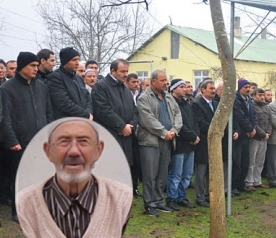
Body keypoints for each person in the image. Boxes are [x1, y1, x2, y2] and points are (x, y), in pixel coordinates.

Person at [16, 118, 132, 237]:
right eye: (64, 141)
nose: (74, 152)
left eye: (83, 141)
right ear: (48, 151)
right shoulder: (25, 204)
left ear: (98, 150)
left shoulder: (122, 199)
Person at [1, 52, 54, 222]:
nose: (36, 69)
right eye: (32, 65)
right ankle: (18, 211)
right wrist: (12, 140)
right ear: (22, 65)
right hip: (20, 141)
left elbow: (48, 112)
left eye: (37, 65)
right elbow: (5, 117)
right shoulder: (7, 89)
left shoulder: (41, 86)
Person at [137, 70, 182, 216]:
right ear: (153, 81)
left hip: (168, 140)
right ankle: (149, 204)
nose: (166, 83)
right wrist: (164, 132)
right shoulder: (144, 98)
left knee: (163, 173)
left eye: (166, 80)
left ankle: (158, 201)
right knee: (150, 174)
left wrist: (174, 130)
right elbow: (147, 119)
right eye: (162, 80)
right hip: (150, 142)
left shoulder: (169, 97)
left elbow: (177, 115)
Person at [92, 59, 138, 196]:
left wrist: (131, 125)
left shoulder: (125, 89)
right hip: (110, 136)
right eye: (122, 71)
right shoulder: (101, 87)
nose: (125, 75)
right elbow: (103, 110)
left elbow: (134, 111)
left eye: (127, 71)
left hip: (126, 137)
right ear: (113, 71)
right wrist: (121, 126)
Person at [166, 79, 198, 210]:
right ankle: (172, 198)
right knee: (176, 173)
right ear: (173, 89)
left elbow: (194, 121)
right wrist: (191, 135)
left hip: (191, 143)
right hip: (179, 143)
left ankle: (181, 196)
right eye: (182, 87)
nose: (185, 89)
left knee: (187, 173)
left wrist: (196, 135)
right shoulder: (171, 103)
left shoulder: (186, 103)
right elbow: (178, 124)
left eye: (186, 87)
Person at [47, 47, 93, 120]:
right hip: (66, 123)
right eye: (74, 60)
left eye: (78, 59)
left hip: (82, 122)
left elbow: (87, 97)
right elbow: (63, 103)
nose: (77, 63)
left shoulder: (78, 78)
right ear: (65, 61)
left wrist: (89, 112)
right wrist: (85, 114)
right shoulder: (55, 78)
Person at [192, 80, 217, 207]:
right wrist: (216, 129)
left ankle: (209, 195)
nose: (213, 91)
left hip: (215, 142)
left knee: (211, 171)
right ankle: (200, 197)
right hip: (202, 141)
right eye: (210, 88)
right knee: (201, 171)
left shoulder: (216, 104)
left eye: (214, 88)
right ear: (202, 89)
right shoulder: (197, 104)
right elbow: (200, 122)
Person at [232, 78, 257, 195]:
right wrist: (249, 129)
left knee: (245, 162)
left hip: (248, 135)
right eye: (245, 87)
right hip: (240, 135)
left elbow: (253, 116)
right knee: (237, 162)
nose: (247, 89)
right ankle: (234, 186)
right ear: (239, 88)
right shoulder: (235, 100)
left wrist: (253, 128)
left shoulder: (250, 100)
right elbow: (240, 116)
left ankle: (242, 184)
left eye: (248, 87)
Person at [245, 88, 272, 190]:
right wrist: (262, 134)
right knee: (252, 161)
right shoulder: (252, 107)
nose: (262, 97)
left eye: (262, 95)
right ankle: (249, 182)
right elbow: (254, 123)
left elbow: (270, 121)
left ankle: (257, 181)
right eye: (259, 95)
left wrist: (268, 133)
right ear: (253, 96)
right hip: (255, 138)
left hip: (264, 138)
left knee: (260, 161)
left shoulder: (266, 107)